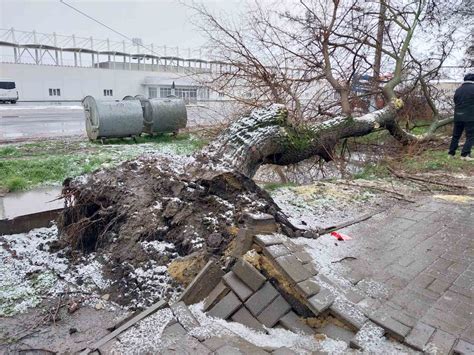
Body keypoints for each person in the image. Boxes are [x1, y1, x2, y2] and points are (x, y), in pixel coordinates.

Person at [448, 73, 474, 161]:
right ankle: (465, 154)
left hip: (458, 116)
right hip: (470, 116)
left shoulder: (458, 89)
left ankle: (451, 154)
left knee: (456, 135)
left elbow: (455, 101)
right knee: (471, 136)